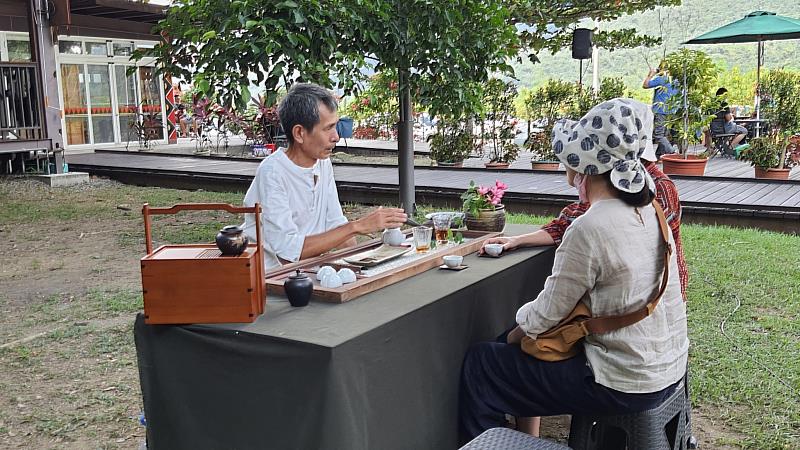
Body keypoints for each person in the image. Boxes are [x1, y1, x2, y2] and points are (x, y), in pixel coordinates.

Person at [460, 98, 689, 442]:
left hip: (624, 381)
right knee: (506, 352)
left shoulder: (590, 226)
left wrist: (511, 336)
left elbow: (545, 316)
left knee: (483, 364)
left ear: (582, 167)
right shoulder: (651, 208)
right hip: (668, 368)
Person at [481, 100, 688, 303]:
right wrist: (517, 240)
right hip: (629, 302)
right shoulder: (611, 185)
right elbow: (570, 221)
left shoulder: (658, 189)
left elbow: (553, 306)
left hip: (648, 300)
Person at [241, 83, 407, 270]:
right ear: (299, 133)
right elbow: (288, 252)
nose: (336, 136)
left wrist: (362, 266)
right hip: (271, 277)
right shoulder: (272, 172)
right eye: (328, 128)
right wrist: (358, 226)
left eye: (335, 126)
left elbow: (335, 223)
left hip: (310, 270)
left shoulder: (322, 163)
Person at [643, 62, 679, 158]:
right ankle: (658, 156)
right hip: (674, 111)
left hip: (661, 110)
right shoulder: (677, 81)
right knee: (666, 135)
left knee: (659, 135)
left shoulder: (662, 79)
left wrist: (651, 74)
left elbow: (645, 85)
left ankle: (671, 152)